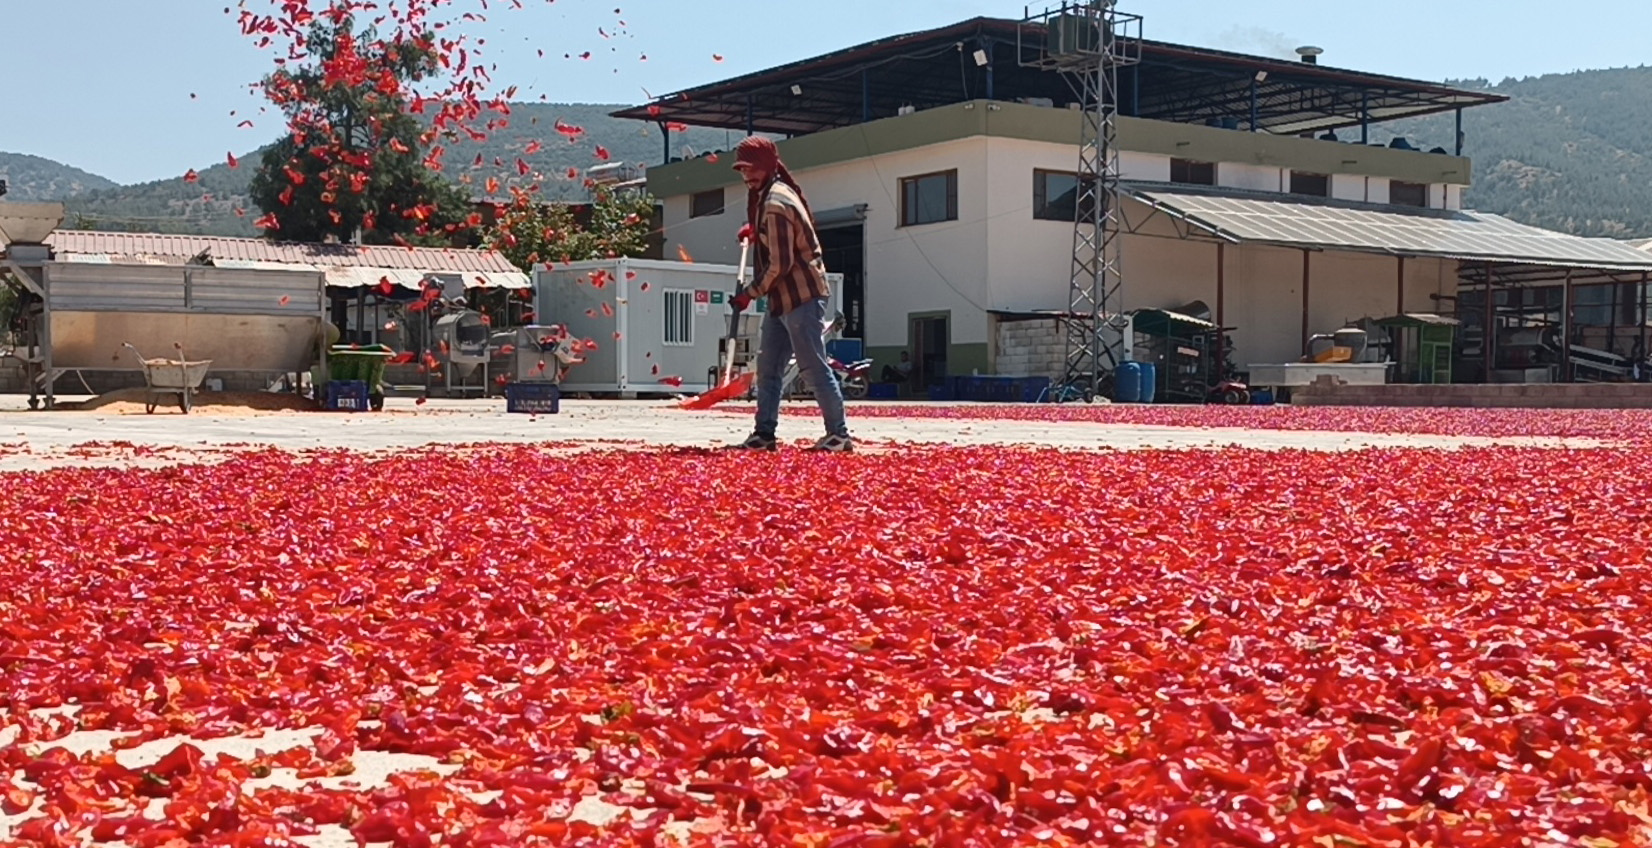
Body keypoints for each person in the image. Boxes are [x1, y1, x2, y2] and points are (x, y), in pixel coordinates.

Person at [725, 136, 852, 452]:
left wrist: (749, 294)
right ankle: (764, 434)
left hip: (802, 296)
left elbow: (780, 263)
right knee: (768, 368)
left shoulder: (775, 203)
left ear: (767, 166)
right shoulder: (769, 196)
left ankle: (838, 434)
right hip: (780, 301)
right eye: (742, 169)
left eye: (752, 168)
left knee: (812, 366)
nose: (747, 176)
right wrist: (756, 233)